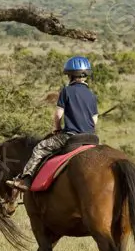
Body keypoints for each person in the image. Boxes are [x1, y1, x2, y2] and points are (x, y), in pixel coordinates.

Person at [7, 56, 99, 192]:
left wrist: (57, 128)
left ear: (69, 75)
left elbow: (58, 114)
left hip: (71, 136)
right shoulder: (91, 95)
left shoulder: (66, 91)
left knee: (40, 148)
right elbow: (95, 119)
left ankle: (25, 180)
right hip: (91, 138)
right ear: (86, 75)